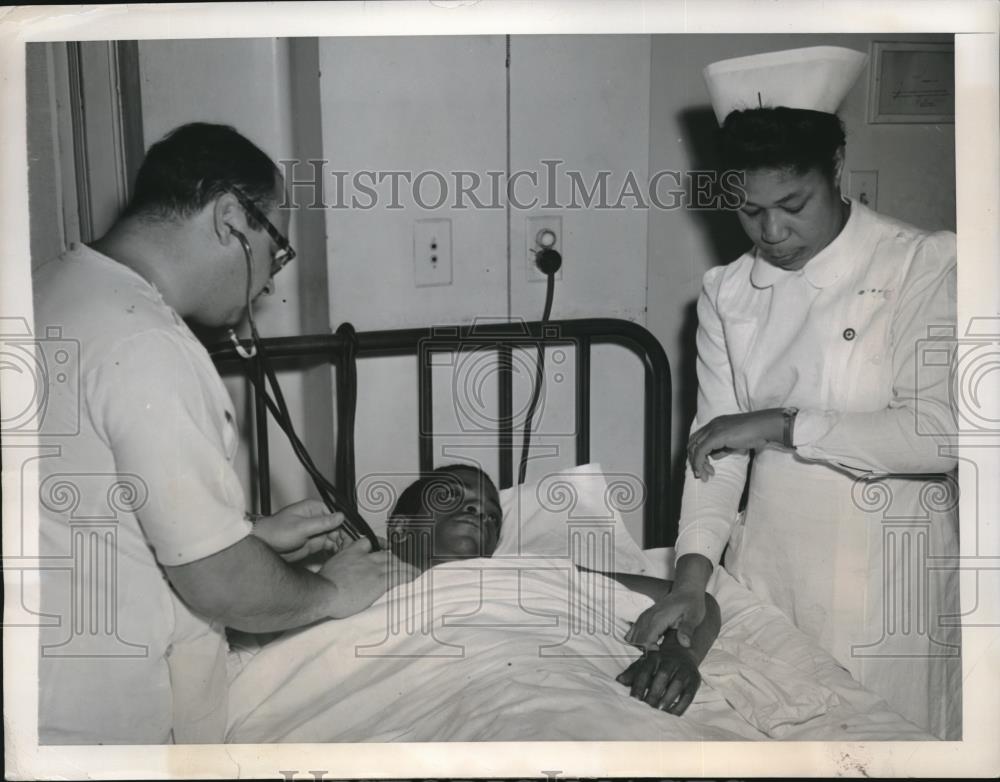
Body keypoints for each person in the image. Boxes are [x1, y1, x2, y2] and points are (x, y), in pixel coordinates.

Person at [33, 123, 415, 744]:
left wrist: (248, 539)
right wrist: (326, 592)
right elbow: (219, 585)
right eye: (277, 250)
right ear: (231, 218)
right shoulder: (147, 340)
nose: (269, 282)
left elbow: (84, 521)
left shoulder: (47, 290)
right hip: (90, 727)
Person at [626, 47, 960, 738]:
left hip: (887, 583)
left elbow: (942, 434)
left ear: (835, 171)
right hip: (772, 574)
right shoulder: (729, 293)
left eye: (792, 204)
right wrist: (692, 578)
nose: (771, 233)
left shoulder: (920, 264)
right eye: (749, 212)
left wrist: (782, 426)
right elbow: (713, 453)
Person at [387, 464, 722, 716]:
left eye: (492, 516)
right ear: (402, 528)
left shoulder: (535, 571)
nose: (480, 513)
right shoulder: (362, 582)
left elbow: (695, 600)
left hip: (575, 701)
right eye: (453, 496)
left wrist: (680, 654)